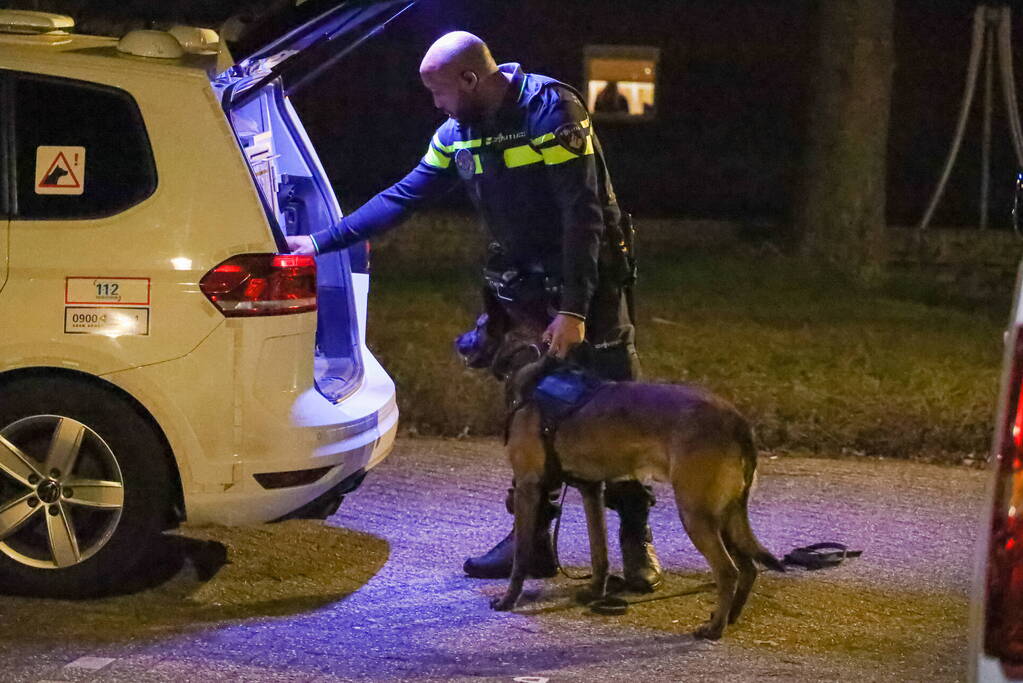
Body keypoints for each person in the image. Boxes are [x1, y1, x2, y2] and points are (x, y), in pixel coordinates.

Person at [286, 31, 662, 593]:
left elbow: (581, 215)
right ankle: (531, 541)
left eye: (439, 92)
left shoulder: (550, 111)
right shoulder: (457, 133)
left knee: (617, 405)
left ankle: (635, 538)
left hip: (588, 283)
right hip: (526, 288)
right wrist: (319, 243)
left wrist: (574, 310)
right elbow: (403, 196)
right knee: (535, 408)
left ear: (470, 79)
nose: (436, 105)